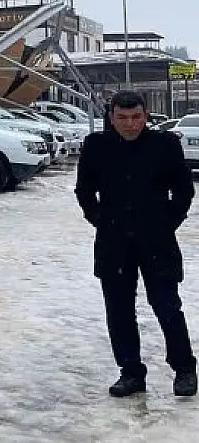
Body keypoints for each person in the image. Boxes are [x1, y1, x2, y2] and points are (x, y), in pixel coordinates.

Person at [76, 90, 197, 397]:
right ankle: (130, 373)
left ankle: (184, 369)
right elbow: (84, 191)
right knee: (119, 311)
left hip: (157, 242)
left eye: (136, 117)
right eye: (122, 118)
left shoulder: (164, 145)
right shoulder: (96, 146)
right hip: (113, 242)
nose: (130, 124)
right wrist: (100, 220)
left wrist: (167, 222)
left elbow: (184, 191)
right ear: (111, 118)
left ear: (145, 117)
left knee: (167, 306)